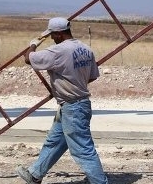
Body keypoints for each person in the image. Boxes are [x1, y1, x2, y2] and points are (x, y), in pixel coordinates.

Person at [15, 17, 108, 184]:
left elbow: (28, 58)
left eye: (52, 35)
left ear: (58, 34)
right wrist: (74, 81)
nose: (51, 38)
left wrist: (34, 44)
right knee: (55, 141)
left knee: (83, 150)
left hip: (73, 107)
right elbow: (92, 77)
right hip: (77, 104)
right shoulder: (86, 49)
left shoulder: (58, 51)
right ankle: (35, 174)